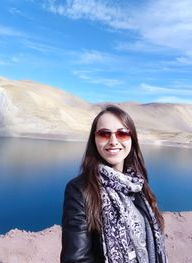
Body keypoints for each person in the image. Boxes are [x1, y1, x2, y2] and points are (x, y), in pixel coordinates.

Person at [60, 105, 168, 263]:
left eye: (122, 133)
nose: (113, 141)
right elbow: (75, 259)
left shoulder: (137, 184)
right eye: (104, 134)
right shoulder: (79, 190)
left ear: (132, 139)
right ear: (94, 139)